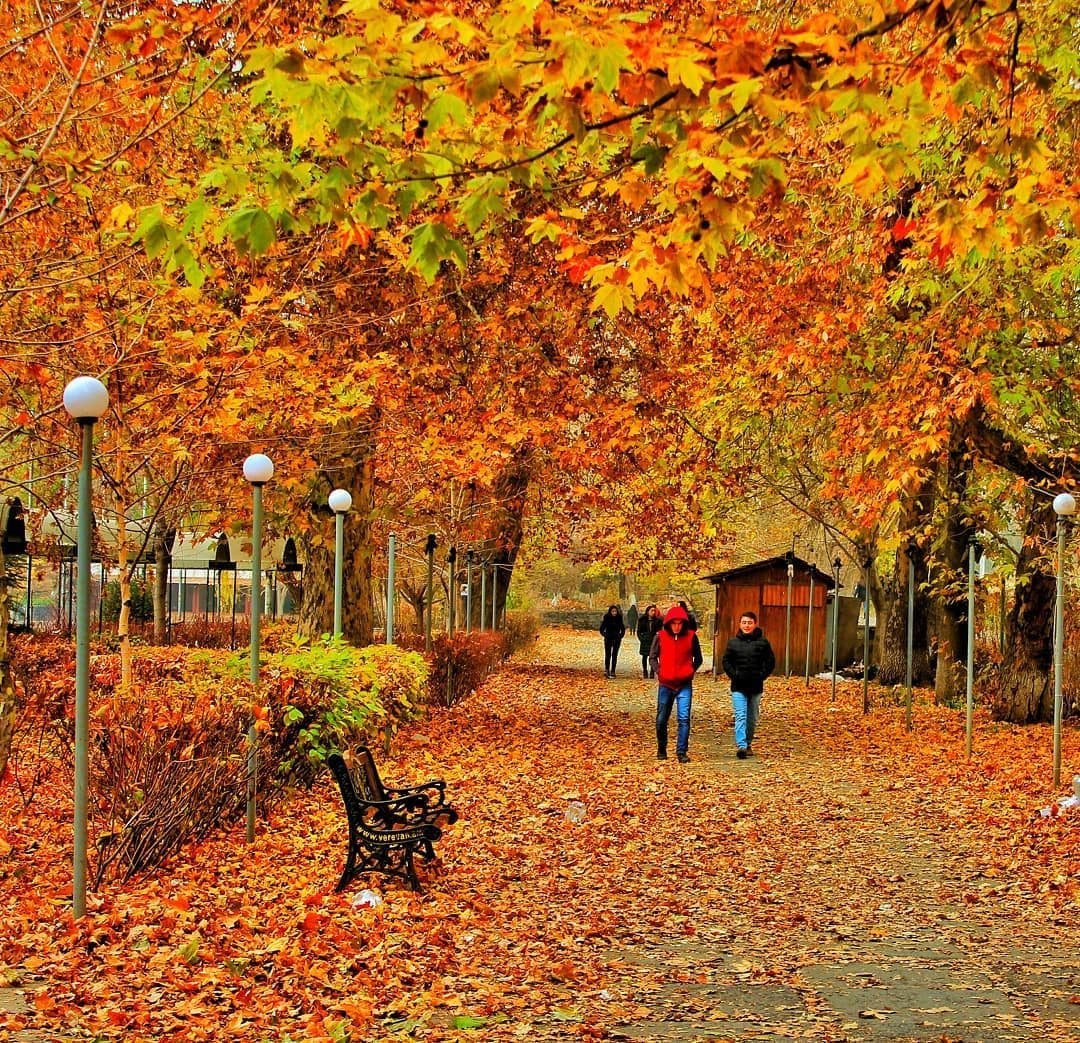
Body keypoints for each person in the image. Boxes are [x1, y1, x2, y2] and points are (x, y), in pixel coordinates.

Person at [649, 604, 703, 762]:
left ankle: (681, 752)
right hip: (666, 683)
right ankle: (661, 749)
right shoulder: (660, 636)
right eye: (674, 623)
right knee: (661, 718)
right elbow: (652, 657)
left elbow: (698, 658)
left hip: (684, 684)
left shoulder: (691, 637)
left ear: (684, 623)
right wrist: (660, 671)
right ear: (669, 623)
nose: (677, 626)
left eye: (680, 623)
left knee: (684, 718)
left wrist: (690, 671)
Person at [721, 611, 776, 759]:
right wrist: (734, 674)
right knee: (740, 715)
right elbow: (726, 661)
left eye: (749, 622)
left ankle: (748, 742)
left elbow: (770, 662)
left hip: (756, 686)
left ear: (755, 624)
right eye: (744, 622)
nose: (747, 625)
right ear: (740, 624)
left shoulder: (763, 643)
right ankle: (741, 746)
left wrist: (761, 675)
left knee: (752, 718)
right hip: (738, 685)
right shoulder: (733, 642)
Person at [599, 605, 626, 678]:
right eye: (613, 611)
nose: (614, 613)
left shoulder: (619, 618)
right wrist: (605, 635)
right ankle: (607, 669)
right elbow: (602, 629)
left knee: (614, 655)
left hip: (616, 639)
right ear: (610, 612)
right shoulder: (607, 618)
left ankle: (613, 670)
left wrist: (620, 636)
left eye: (615, 611)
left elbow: (622, 628)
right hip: (608, 638)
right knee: (608, 655)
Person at [637, 604, 661, 678]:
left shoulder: (658, 621)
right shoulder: (642, 620)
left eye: (654, 611)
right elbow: (639, 631)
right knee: (644, 656)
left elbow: (660, 631)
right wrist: (642, 638)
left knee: (653, 656)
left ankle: (652, 671)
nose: (653, 612)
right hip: (645, 641)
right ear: (648, 611)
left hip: (654, 641)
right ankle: (645, 670)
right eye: (652, 611)